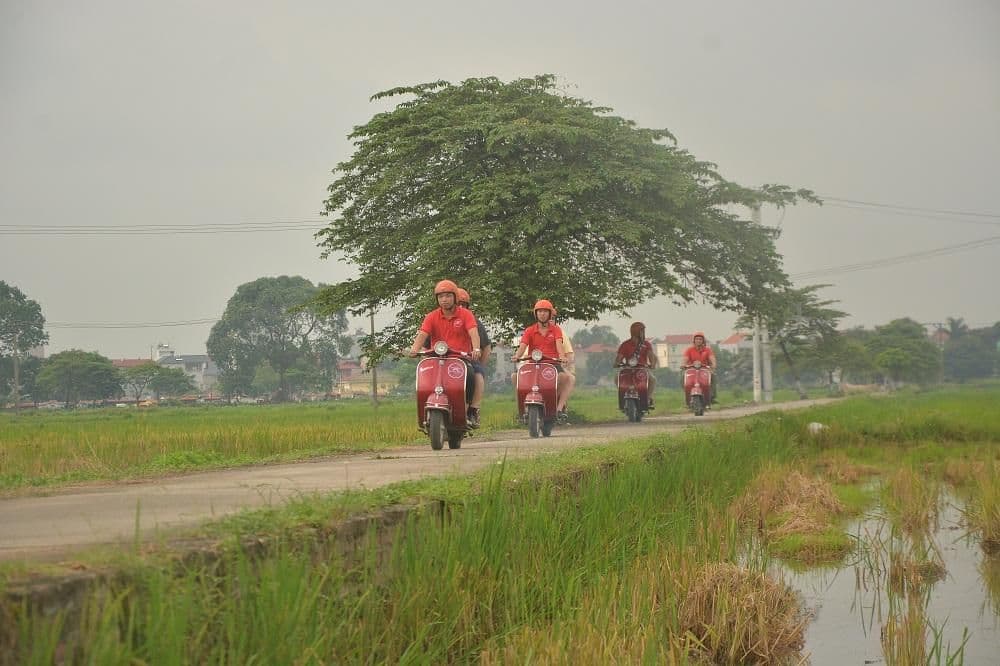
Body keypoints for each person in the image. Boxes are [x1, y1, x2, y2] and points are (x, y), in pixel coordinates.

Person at [408, 280, 485, 427]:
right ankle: (425, 408)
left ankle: (471, 410)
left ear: (455, 297)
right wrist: (414, 349)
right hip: (437, 358)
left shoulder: (466, 315)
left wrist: (476, 349)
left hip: (461, 359)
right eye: (441, 296)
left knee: (473, 375)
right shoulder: (431, 316)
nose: (444, 300)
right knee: (423, 378)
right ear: (437, 299)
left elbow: (474, 333)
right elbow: (422, 334)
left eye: (448, 296)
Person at [512, 299, 576, 416]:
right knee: (515, 376)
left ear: (550, 314)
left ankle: (559, 408)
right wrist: (517, 356)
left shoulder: (556, 330)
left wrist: (562, 357)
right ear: (536, 314)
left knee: (564, 377)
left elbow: (559, 344)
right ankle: (522, 409)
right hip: (533, 363)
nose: (542, 314)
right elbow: (523, 346)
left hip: (552, 363)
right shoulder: (529, 330)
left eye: (545, 312)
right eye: (539, 311)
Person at [614, 321, 657, 407]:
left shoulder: (646, 344)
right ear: (636, 332)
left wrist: (652, 364)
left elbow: (651, 356)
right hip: (628, 369)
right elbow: (619, 358)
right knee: (617, 378)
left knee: (652, 379)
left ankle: (648, 398)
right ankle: (624, 396)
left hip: (642, 369)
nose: (643, 333)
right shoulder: (625, 344)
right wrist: (617, 363)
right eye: (642, 331)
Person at [456, 287, 492, 368]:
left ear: (467, 306)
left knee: (478, 375)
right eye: (458, 304)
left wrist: (481, 366)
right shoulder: (438, 318)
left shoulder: (475, 322)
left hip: (468, 362)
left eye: (463, 304)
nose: (461, 307)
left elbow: (486, 347)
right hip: (443, 362)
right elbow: (425, 345)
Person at [681, 331, 717, 405]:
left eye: (700, 339)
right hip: (691, 370)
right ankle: (687, 393)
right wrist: (683, 365)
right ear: (694, 340)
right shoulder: (689, 350)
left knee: (713, 376)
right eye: (697, 339)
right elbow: (685, 359)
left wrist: (713, 365)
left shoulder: (707, 350)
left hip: (705, 370)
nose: (698, 341)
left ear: (703, 341)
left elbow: (712, 358)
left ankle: (712, 396)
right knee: (682, 377)